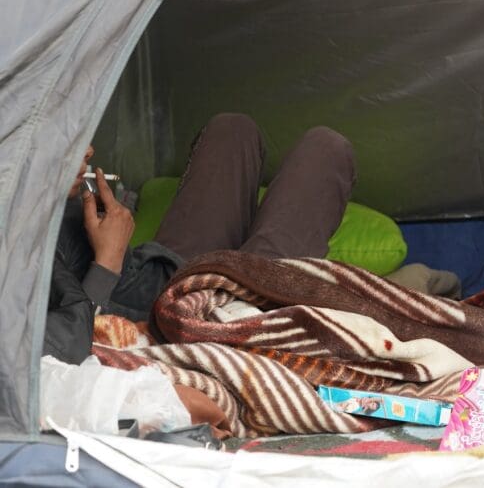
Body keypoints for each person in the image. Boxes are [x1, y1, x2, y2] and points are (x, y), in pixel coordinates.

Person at [46, 113, 356, 364]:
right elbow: (59, 349)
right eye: (60, 141)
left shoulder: (36, 198)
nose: (87, 150)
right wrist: (108, 261)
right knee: (328, 149)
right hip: (189, 321)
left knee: (232, 129)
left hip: (161, 271)